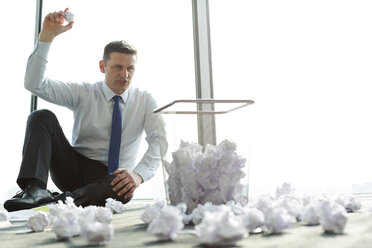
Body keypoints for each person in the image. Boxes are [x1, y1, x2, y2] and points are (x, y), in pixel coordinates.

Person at [4, 8, 166, 212]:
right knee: (41, 117)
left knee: (123, 189)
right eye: (117, 67)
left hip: (110, 181)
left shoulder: (145, 100)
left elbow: (159, 140)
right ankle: (35, 190)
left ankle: (58, 202)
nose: (124, 74)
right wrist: (46, 37)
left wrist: (138, 174)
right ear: (102, 66)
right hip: (73, 169)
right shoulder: (84, 93)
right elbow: (35, 84)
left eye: (130, 68)